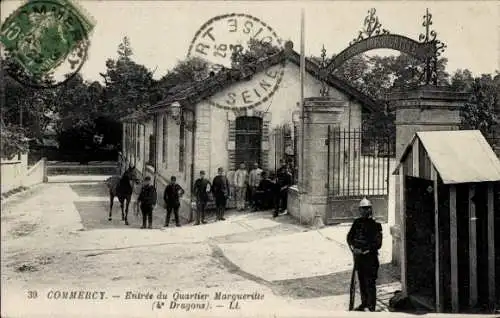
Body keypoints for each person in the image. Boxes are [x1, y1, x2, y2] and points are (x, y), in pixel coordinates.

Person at [346, 198, 383, 312]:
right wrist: (354, 249)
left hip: (370, 259)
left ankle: (371, 307)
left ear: (370, 210)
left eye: (366, 209)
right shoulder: (357, 223)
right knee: (361, 281)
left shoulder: (376, 225)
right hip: (359, 258)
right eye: (362, 209)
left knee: (370, 283)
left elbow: (377, 244)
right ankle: (364, 303)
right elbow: (349, 238)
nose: (364, 211)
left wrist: (364, 250)